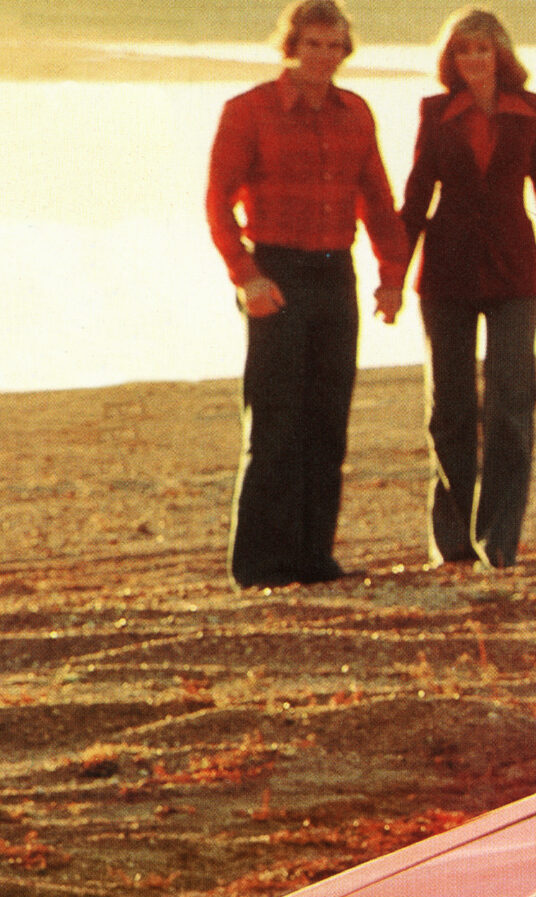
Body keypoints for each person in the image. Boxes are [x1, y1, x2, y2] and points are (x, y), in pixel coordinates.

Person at [204, 0, 408, 589]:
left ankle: (314, 559)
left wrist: (392, 276)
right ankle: (258, 566)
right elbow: (217, 204)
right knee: (274, 423)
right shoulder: (248, 110)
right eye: (313, 44)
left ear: (346, 51)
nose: (323, 55)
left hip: (335, 272)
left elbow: (377, 199)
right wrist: (247, 276)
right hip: (275, 272)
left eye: (334, 45)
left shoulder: (356, 112)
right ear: (291, 46)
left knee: (327, 422)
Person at [398, 9, 536, 570]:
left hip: (515, 271)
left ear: (501, 55)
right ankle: (451, 545)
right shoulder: (435, 112)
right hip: (446, 271)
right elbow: (416, 196)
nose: (474, 60)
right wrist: (392, 277)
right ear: (451, 60)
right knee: (450, 409)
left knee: (511, 404)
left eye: (483, 50)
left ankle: (499, 542)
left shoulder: (532, 111)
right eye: (463, 51)